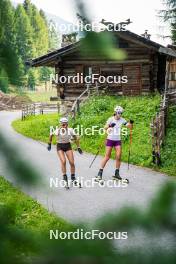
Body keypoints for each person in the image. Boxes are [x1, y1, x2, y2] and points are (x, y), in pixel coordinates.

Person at [96, 106, 133, 181]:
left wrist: (131, 123)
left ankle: (117, 174)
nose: (120, 114)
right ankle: (99, 173)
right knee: (107, 157)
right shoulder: (111, 119)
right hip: (110, 139)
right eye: (119, 113)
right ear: (115, 113)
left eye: (121, 113)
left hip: (117, 140)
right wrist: (110, 125)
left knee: (118, 156)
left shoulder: (122, 119)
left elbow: (129, 126)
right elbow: (105, 127)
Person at [47, 117, 83, 187]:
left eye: (66, 124)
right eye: (63, 124)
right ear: (60, 124)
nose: (65, 126)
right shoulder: (58, 130)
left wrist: (78, 147)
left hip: (67, 146)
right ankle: (65, 177)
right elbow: (51, 135)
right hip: (60, 146)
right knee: (63, 161)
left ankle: (73, 178)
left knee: (72, 162)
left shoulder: (70, 130)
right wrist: (49, 144)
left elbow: (76, 138)